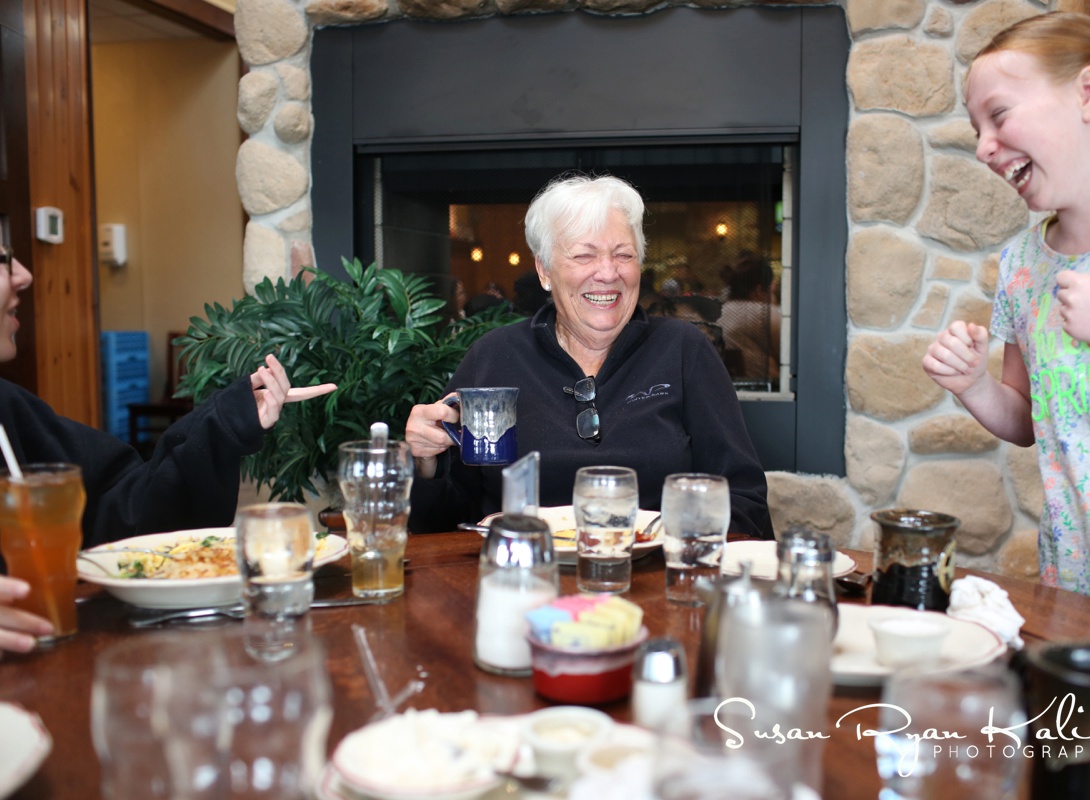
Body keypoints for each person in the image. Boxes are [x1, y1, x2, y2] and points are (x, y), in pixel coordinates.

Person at [922, 12, 1090, 624]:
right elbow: (1027, 419)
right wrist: (974, 385)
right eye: (976, 129)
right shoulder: (1024, 263)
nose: (982, 146)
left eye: (998, 115)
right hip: (1076, 586)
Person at [0, 246, 337, 651]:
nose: (23, 275)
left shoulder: (9, 410)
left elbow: (122, 514)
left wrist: (224, 424)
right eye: (2, 260)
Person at [405, 174, 773, 537]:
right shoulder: (494, 356)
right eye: (585, 255)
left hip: (654, 578)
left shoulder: (683, 350)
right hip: (523, 579)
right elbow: (440, 525)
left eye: (623, 255)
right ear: (544, 271)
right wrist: (426, 462)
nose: (608, 273)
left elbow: (745, 503)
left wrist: (667, 541)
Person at [717, 253, 781, 384]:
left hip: (725, 387)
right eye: (771, 290)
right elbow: (789, 357)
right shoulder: (766, 314)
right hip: (767, 390)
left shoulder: (720, 311)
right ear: (759, 290)